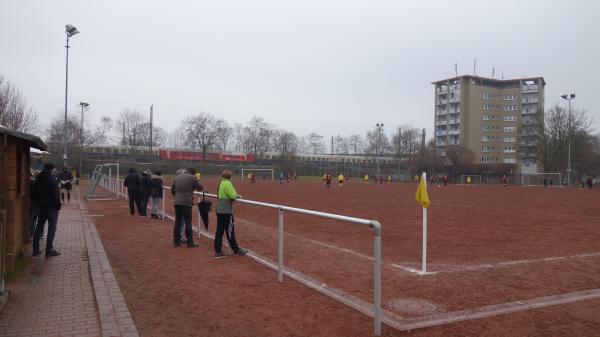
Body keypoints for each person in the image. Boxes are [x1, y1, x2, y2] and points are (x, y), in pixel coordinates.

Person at [214, 170, 247, 258]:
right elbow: (232, 195)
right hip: (226, 211)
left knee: (219, 231)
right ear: (230, 177)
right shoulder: (227, 183)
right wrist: (238, 196)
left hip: (220, 210)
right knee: (230, 232)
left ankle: (218, 251)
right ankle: (236, 249)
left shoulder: (221, 182)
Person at [32, 163, 62, 257]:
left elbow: (35, 192)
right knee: (52, 228)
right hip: (52, 208)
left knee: (39, 227)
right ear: (52, 169)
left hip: (41, 207)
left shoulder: (38, 179)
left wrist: (39, 203)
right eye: (54, 169)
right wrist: (58, 206)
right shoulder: (53, 180)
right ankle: (49, 250)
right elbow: (55, 195)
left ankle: (35, 250)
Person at [171, 168, 203, 247]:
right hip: (186, 203)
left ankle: (176, 241)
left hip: (177, 202)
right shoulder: (192, 178)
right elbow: (200, 188)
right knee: (188, 223)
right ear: (193, 173)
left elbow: (172, 190)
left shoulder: (177, 177)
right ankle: (190, 242)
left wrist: (178, 197)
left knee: (178, 222)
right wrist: (197, 180)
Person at [28, 170, 39, 240]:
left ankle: (28, 235)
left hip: (31, 204)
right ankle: (32, 234)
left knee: (30, 219)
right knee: (34, 219)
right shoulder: (36, 182)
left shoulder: (30, 183)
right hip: (37, 204)